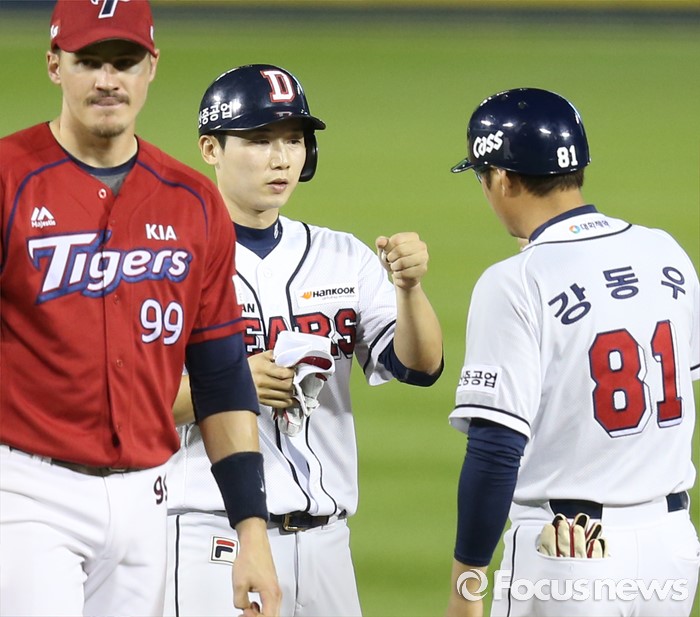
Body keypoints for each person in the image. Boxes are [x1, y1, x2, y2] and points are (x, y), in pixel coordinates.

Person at [0, 3, 280, 616]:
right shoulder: (7, 178)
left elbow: (221, 374)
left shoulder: (193, 200)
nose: (108, 80)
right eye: (89, 61)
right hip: (25, 493)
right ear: (54, 65)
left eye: (124, 62)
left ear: (151, 68)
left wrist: (252, 529)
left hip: (147, 500)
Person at [164, 64, 444, 617]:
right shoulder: (167, 262)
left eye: (293, 140)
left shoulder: (343, 255)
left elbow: (419, 366)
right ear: (210, 148)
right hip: (212, 539)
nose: (281, 158)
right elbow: (124, 405)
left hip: (326, 544)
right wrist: (229, 386)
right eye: (259, 140)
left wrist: (409, 289)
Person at [444, 87, 700, 617]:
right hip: (672, 547)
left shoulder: (514, 282)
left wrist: (466, 585)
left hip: (566, 551)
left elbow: (494, 447)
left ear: (503, 178)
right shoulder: (665, 253)